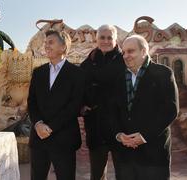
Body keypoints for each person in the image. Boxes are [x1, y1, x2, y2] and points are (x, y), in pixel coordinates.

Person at [111, 34, 179, 180]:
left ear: (143, 51)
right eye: (124, 52)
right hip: (125, 154)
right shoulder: (118, 77)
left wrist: (144, 136)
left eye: (131, 51)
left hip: (153, 154)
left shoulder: (164, 73)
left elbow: (170, 110)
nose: (126, 55)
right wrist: (118, 135)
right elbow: (113, 110)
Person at [27, 30, 85, 180]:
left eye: (50, 42)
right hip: (39, 138)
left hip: (64, 140)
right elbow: (31, 102)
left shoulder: (76, 73)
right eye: (45, 43)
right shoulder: (38, 72)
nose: (46, 46)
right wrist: (38, 124)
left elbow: (74, 105)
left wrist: (51, 127)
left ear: (63, 47)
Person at [80, 24, 125, 180]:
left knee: (123, 172)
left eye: (109, 37)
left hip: (121, 126)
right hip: (96, 125)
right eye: (102, 37)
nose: (105, 41)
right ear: (96, 39)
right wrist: (82, 107)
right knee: (97, 174)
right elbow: (79, 88)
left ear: (115, 39)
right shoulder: (88, 62)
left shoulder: (125, 60)